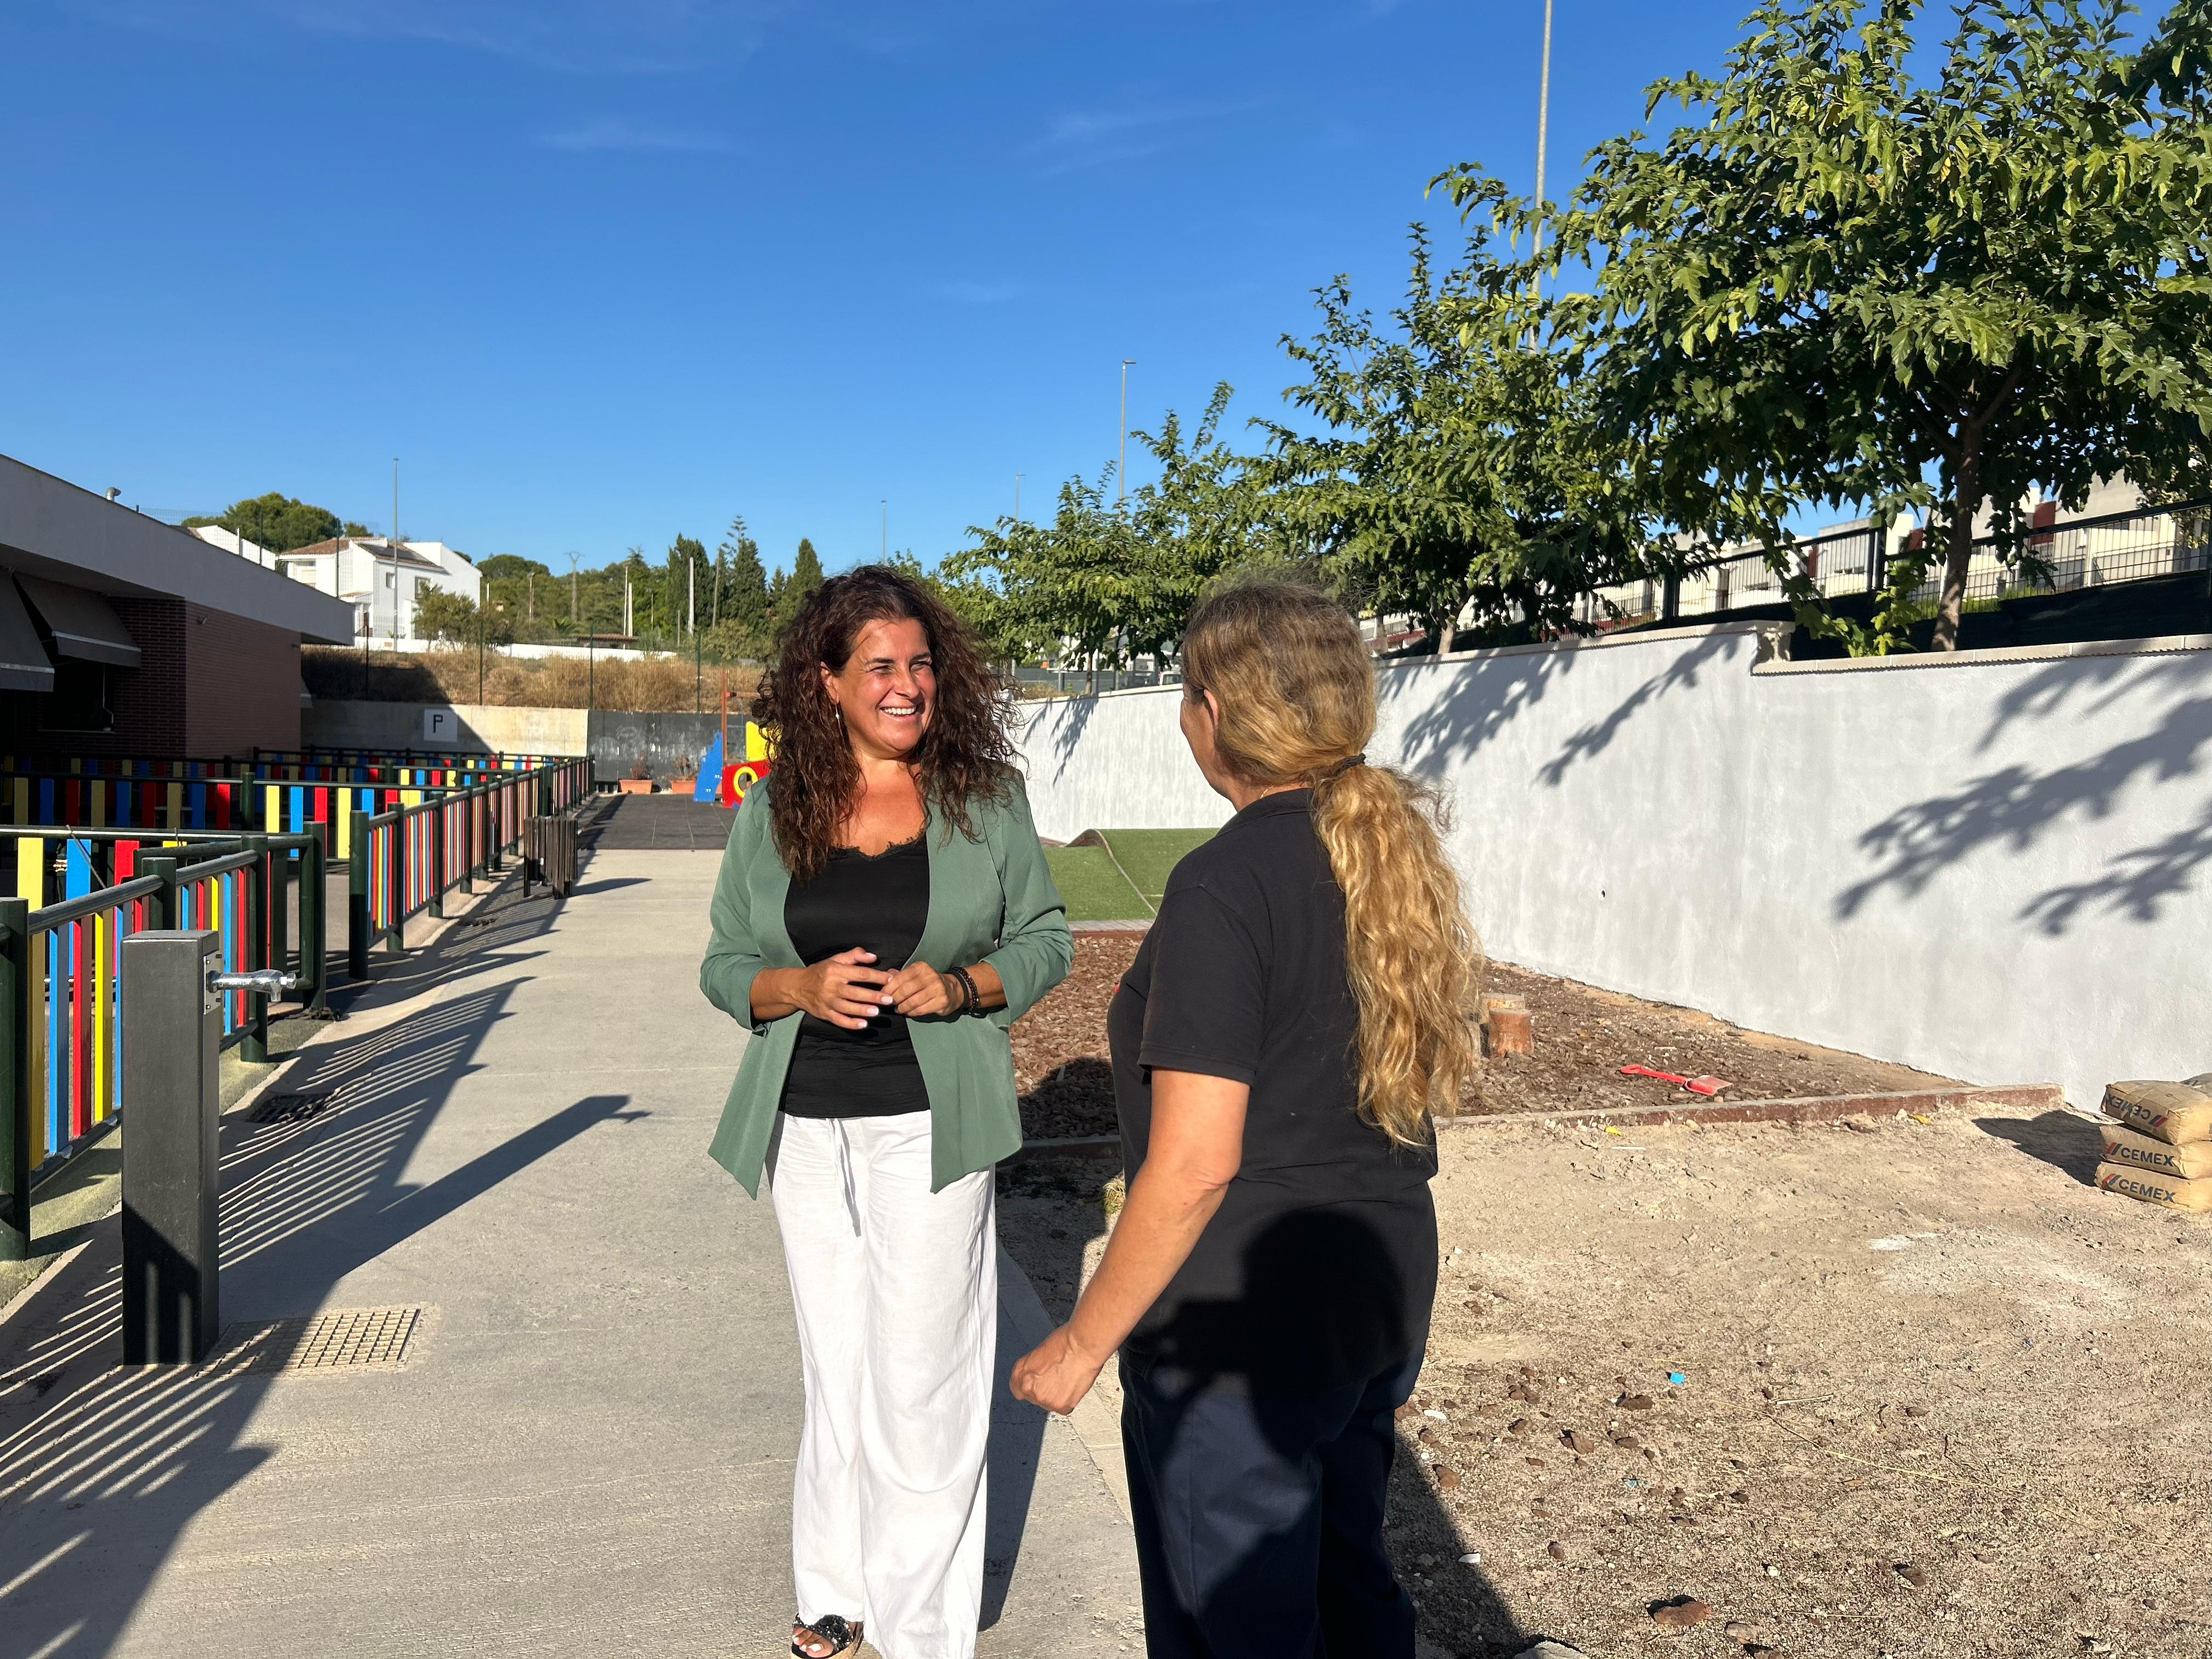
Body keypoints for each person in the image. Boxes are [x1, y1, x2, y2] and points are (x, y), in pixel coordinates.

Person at [1010, 578, 1481, 1658]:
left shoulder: (1225, 881)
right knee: (1349, 1581)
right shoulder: (1389, 854)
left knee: (1236, 1623)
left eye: (1186, 690)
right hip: (1377, 1278)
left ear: (1214, 711)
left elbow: (1192, 1164)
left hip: (1244, 1316)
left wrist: (1084, 1344)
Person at [700, 566, 1072, 1659]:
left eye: (919, 665)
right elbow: (725, 962)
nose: (905, 685)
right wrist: (795, 988)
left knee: (928, 1375)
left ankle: (923, 1630)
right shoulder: (772, 812)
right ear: (826, 682)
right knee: (839, 1362)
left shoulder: (984, 799)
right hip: (805, 1125)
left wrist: (960, 987)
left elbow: (1045, 938)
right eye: (879, 667)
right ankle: (835, 1593)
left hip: (930, 1118)